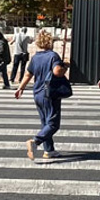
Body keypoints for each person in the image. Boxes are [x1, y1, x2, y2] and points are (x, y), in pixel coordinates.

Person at [13, 29, 65, 160]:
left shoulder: (35, 57)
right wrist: (66, 66)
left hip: (37, 93)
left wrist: (21, 88)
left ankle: (49, 150)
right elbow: (57, 71)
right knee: (53, 124)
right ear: (50, 42)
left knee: (45, 122)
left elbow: (28, 74)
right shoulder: (53, 56)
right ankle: (35, 142)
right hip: (50, 93)